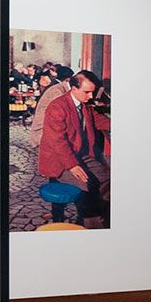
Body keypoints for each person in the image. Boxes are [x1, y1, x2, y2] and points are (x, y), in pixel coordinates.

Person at [35, 71, 107, 225]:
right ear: (74, 88)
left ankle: (104, 215)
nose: (91, 96)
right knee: (86, 186)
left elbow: (97, 120)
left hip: (79, 153)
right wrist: (73, 165)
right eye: (87, 92)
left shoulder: (84, 104)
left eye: (92, 92)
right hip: (59, 159)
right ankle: (91, 224)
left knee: (107, 178)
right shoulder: (57, 107)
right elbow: (58, 142)